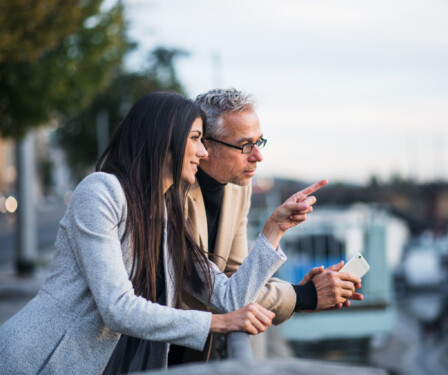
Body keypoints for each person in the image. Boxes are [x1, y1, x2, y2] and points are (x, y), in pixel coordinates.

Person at [0, 92, 325, 374]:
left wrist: (274, 230)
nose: (203, 152)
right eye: (195, 139)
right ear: (165, 138)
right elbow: (117, 308)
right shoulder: (100, 192)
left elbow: (229, 298)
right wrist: (217, 323)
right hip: (38, 361)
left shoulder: (166, 214)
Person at [170, 88, 363, 362]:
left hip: (201, 353)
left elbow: (238, 279)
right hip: (162, 355)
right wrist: (305, 295)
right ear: (205, 146)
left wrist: (303, 292)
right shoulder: (170, 198)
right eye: (245, 145)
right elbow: (228, 297)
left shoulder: (238, 189)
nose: (258, 156)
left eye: (259, 143)